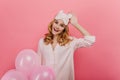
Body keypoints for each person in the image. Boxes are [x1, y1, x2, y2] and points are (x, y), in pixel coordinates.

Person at [37, 10, 96, 80]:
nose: (57, 27)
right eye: (56, 22)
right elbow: (38, 64)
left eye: (61, 25)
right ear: (52, 23)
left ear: (64, 29)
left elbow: (90, 40)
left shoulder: (70, 42)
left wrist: (75, 24)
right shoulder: (42, 42)